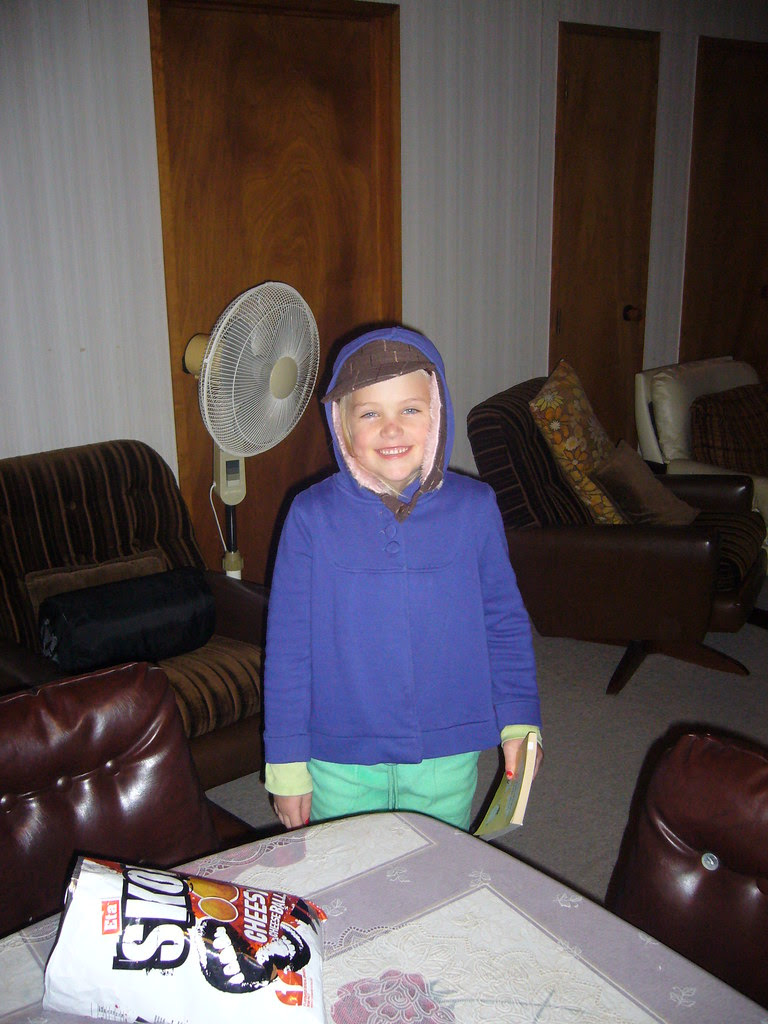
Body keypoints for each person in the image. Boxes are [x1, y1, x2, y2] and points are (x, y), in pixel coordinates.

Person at [263, 325, 541, 831]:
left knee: (437, 864)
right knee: (347, 869)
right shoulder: (310, 516)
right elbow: (288, 648)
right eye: (370, 413)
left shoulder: (475, 508)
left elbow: (503, 622)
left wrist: (519, 719)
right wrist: (286, 762)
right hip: (338, 756)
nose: (391, 429)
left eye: (410, 409)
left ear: (438, 414)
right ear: (341, 425)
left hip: (446, 753)